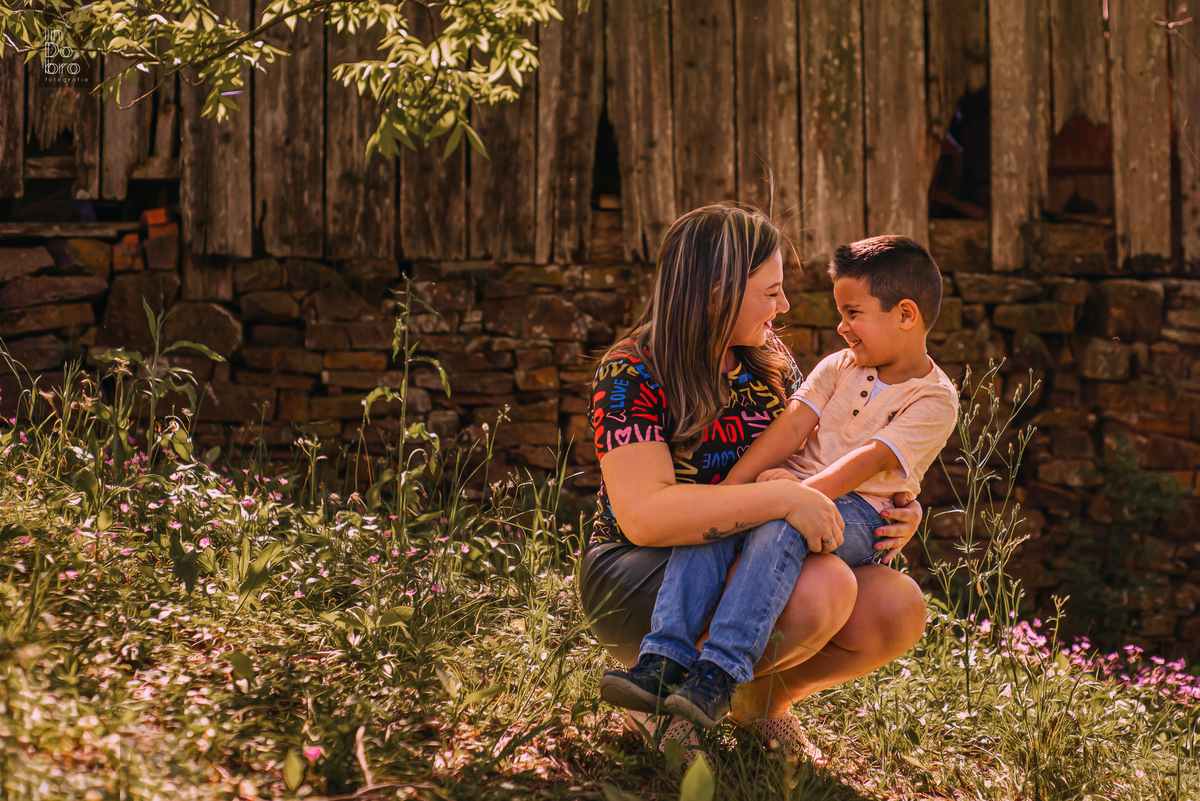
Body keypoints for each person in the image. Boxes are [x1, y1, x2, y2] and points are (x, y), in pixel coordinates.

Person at [579, 204, 929, 753]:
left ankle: (755, 702)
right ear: (717, 294)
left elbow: (816, 461)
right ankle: (662, 688)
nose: (784, 305)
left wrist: (892, 507)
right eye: (770, 292)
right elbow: (644, 517)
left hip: (754, 546)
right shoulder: (632, 370)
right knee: (825, 589)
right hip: (641, 571)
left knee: (897, 607)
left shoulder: (767, 360)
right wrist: (779, 499)